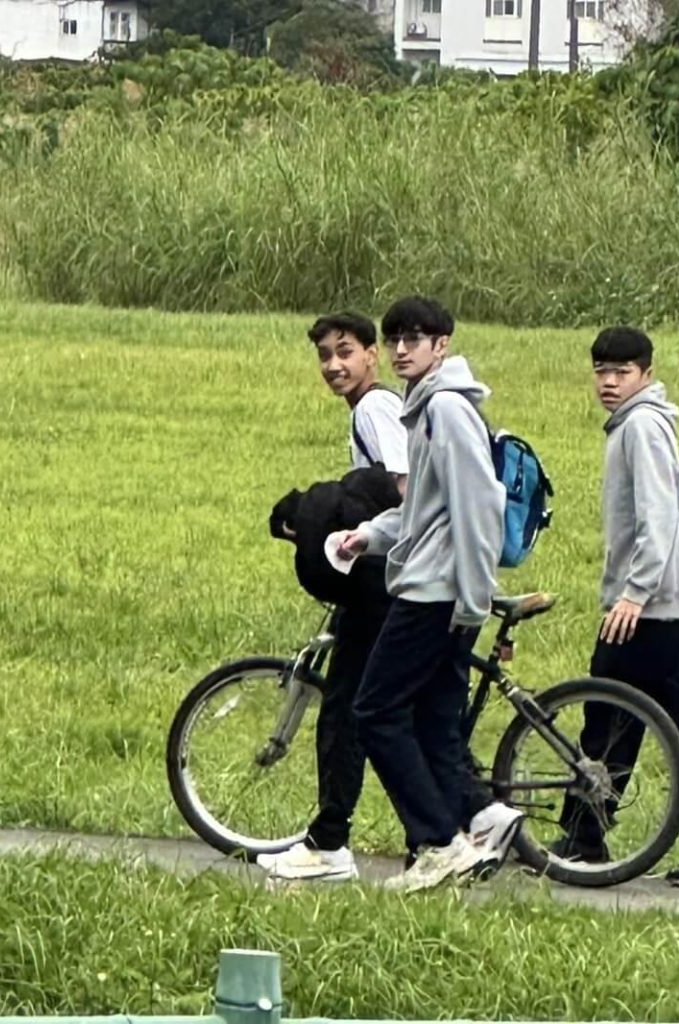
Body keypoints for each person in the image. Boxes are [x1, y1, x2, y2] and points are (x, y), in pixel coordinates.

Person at [338, 295, 524, 893]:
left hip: (436, 593)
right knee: (434, 721)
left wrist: (472, 598)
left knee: (375, 711)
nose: (400, 350)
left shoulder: (444, 409)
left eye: (414, 339)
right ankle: (479, 820)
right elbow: (422, 511)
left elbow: (480, 506)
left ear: (441, 346)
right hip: (440, 587)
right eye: (395, 339)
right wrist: (368, 536)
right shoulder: (426, 408)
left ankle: (439, 843)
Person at [555, 325, 679, 888]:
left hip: (657, 605)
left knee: (634, 714)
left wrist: (635, 592)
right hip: (664, 601)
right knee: (618, 718)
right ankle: (583, 835)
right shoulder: (633, 424)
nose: (608, 382)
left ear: (646, 375)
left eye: (621, 372)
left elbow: (660, 516)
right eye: (601, 372)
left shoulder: (642, 427)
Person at [257, 311, 408, 882]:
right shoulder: (373, 408)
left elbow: (399, 488)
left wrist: (338, 527)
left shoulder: (374, 408)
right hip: (393, 572)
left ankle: (329, 843)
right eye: (324, 355)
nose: (333, 365)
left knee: (347, 707)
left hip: (385, 578)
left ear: (372, 353)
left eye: (345, 352)